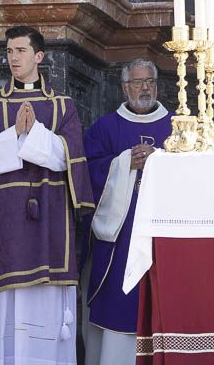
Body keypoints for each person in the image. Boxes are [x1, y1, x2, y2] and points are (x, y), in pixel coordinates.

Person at [0, 26, 94, 365]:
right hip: (1, 223)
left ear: (39, 56)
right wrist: (15, 134)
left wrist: (35, 135)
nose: (13, 57)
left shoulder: (62, 106)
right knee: (1, 314)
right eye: (9, 51)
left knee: (42, 312)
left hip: (48, 220)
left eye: (20, 50)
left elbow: (69, 157)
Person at [82, 59, 172, 364]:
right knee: (119, 302)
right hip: (121, 236)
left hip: (162, 230)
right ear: (124, 87)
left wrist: (159, 159)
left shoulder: (177, 126)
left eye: (150, 81)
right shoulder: (106, 127)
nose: (145, 88)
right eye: (138, 82)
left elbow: (194, 168)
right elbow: (87, 170)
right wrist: (124, 163)